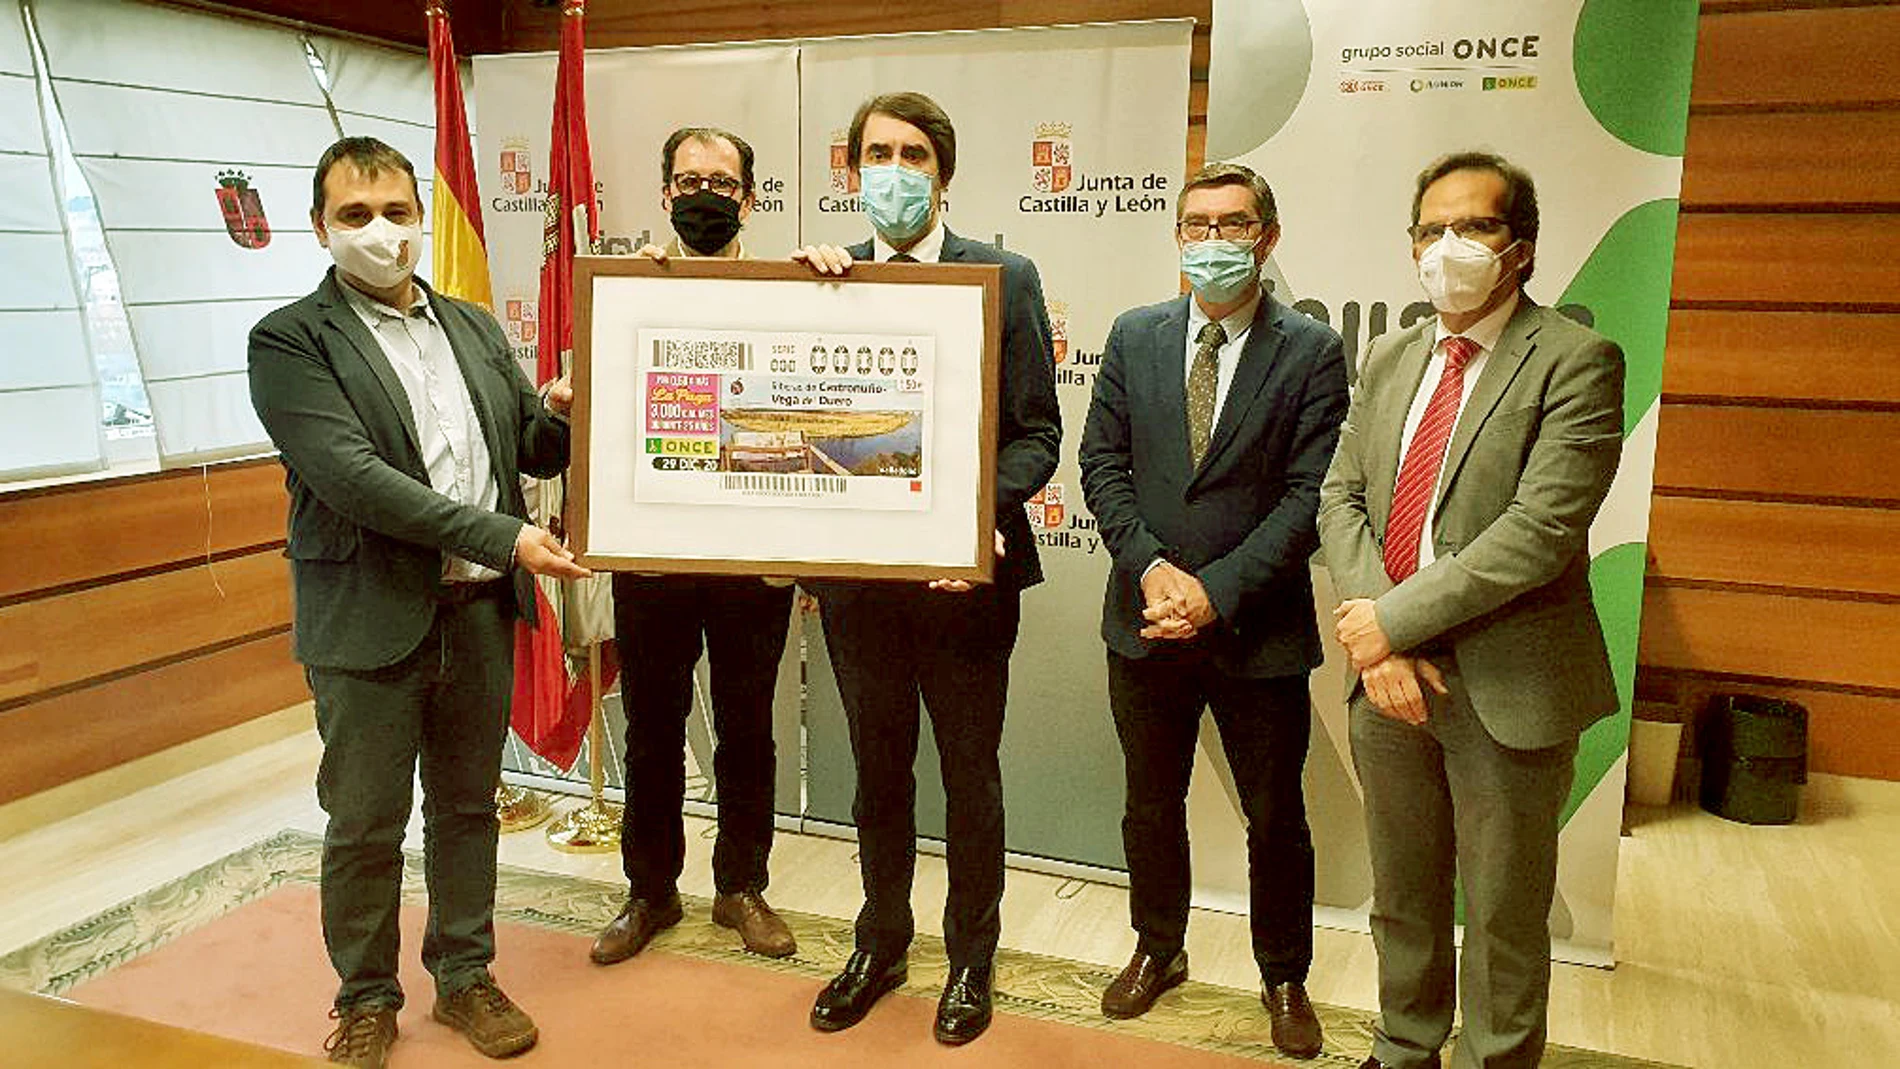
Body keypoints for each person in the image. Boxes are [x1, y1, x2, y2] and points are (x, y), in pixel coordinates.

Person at [248, 136, 590, 1069]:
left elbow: (529, 447)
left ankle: (466, 974)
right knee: (364, 819)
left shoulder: (473, 325)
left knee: (467, 804)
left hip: (476, 609)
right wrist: (504, 536)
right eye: (355, 216)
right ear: (320, 227)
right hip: (367, 617)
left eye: (397, 212)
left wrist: (560, 408)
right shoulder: (289, 339)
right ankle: (365, 997)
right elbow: (352, 478)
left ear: (420, 217)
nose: (381, 233)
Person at [1316, 151, 1624, 1069]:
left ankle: (1498, 1060)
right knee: (1402, 895)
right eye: (1429, 229)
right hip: (1389, 683)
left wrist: (1389, 622)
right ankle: (1406, 1045)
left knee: (1502, 912)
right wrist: (1381, 644)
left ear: (1519, 247)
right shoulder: (1389, 355)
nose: (1447, 245)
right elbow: (1342, 499)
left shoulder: (1576, 359)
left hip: (1508, 687)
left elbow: (1540, 529)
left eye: (1474, 227)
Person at [794, 90, 1061, 1046]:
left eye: (912, 154)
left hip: (966, 581)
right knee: (877, 771)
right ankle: (881, 942)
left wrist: (973, 515)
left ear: (942, 173)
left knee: (969, 775)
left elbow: (1040, 434)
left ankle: (970, 956)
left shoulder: (1006, 273)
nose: (893, 170)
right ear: (852, 168)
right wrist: (803, 291)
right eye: (876, 153)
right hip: (861, 588)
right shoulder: (826, 277)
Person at [1077, 162, 1347, 1060]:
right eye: (1196, 223)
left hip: (1256, 630)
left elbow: (1309, 497)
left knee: (1275, 815)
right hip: (1144, 620)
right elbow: (1102, 464)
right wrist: (1151, 568)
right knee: (1150, 802)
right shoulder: (1134, 334)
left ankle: (1284, 972)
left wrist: (1214, 592)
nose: (1212, 240)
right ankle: (1159, 945)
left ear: (1266, 238)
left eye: (1232, 224)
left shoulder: (1309, 349)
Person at [590, 126, 800, 967]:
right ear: (665, 194)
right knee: (651, 726)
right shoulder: (626, 290)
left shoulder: (796, 291)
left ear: (750, 199)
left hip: (756, 556)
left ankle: (741, 886)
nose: (703, 193)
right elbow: (598, 418)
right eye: (688, 180)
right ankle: (650, 891)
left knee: (748, 726)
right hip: (654, 556)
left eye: (721, 180)